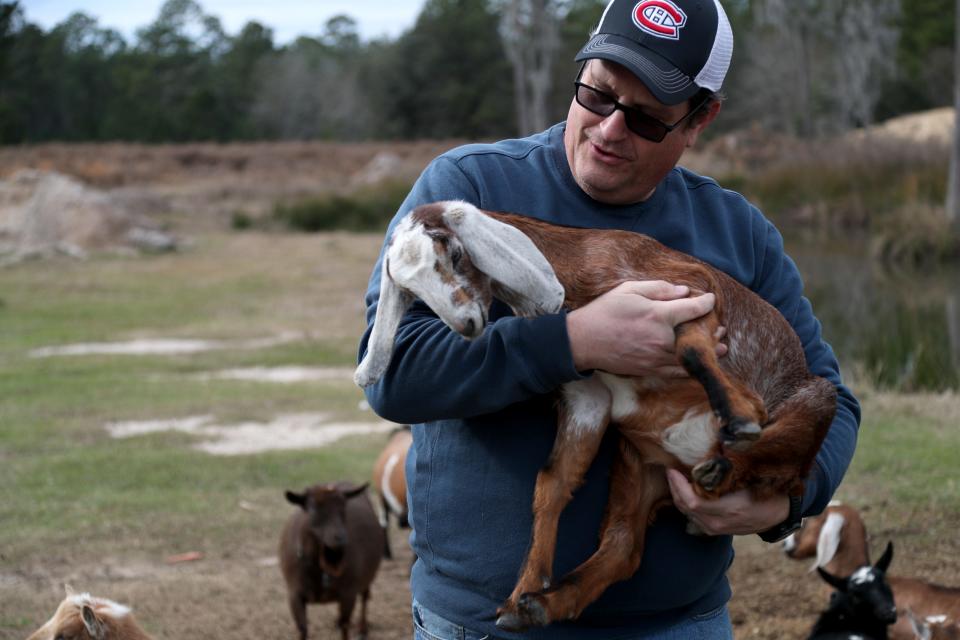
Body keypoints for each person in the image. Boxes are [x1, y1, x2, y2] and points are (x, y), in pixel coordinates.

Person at [357, 0, 860, 638]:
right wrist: (575, 341)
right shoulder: (470, 190)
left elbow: (832, 402)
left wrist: (786, 501)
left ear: (700, 119)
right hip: (478, 622)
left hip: (679, 624)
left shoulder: (738, 232)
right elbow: (393, 376)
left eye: (647, 119)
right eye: (596, 94)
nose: (610, 129)